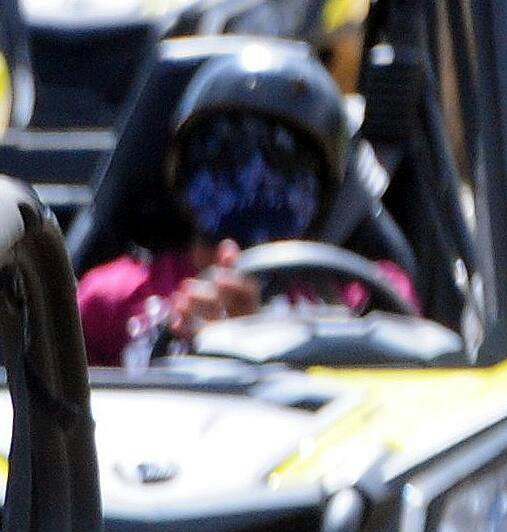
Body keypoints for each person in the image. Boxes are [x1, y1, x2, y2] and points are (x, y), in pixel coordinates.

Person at [75, 44, 407, 366]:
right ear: (181, 171)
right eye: (223, 162)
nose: (251, 184)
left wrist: (260, 340)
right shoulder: (110, 299)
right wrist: (173, 345)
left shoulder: (365, 298)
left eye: (281, 170)